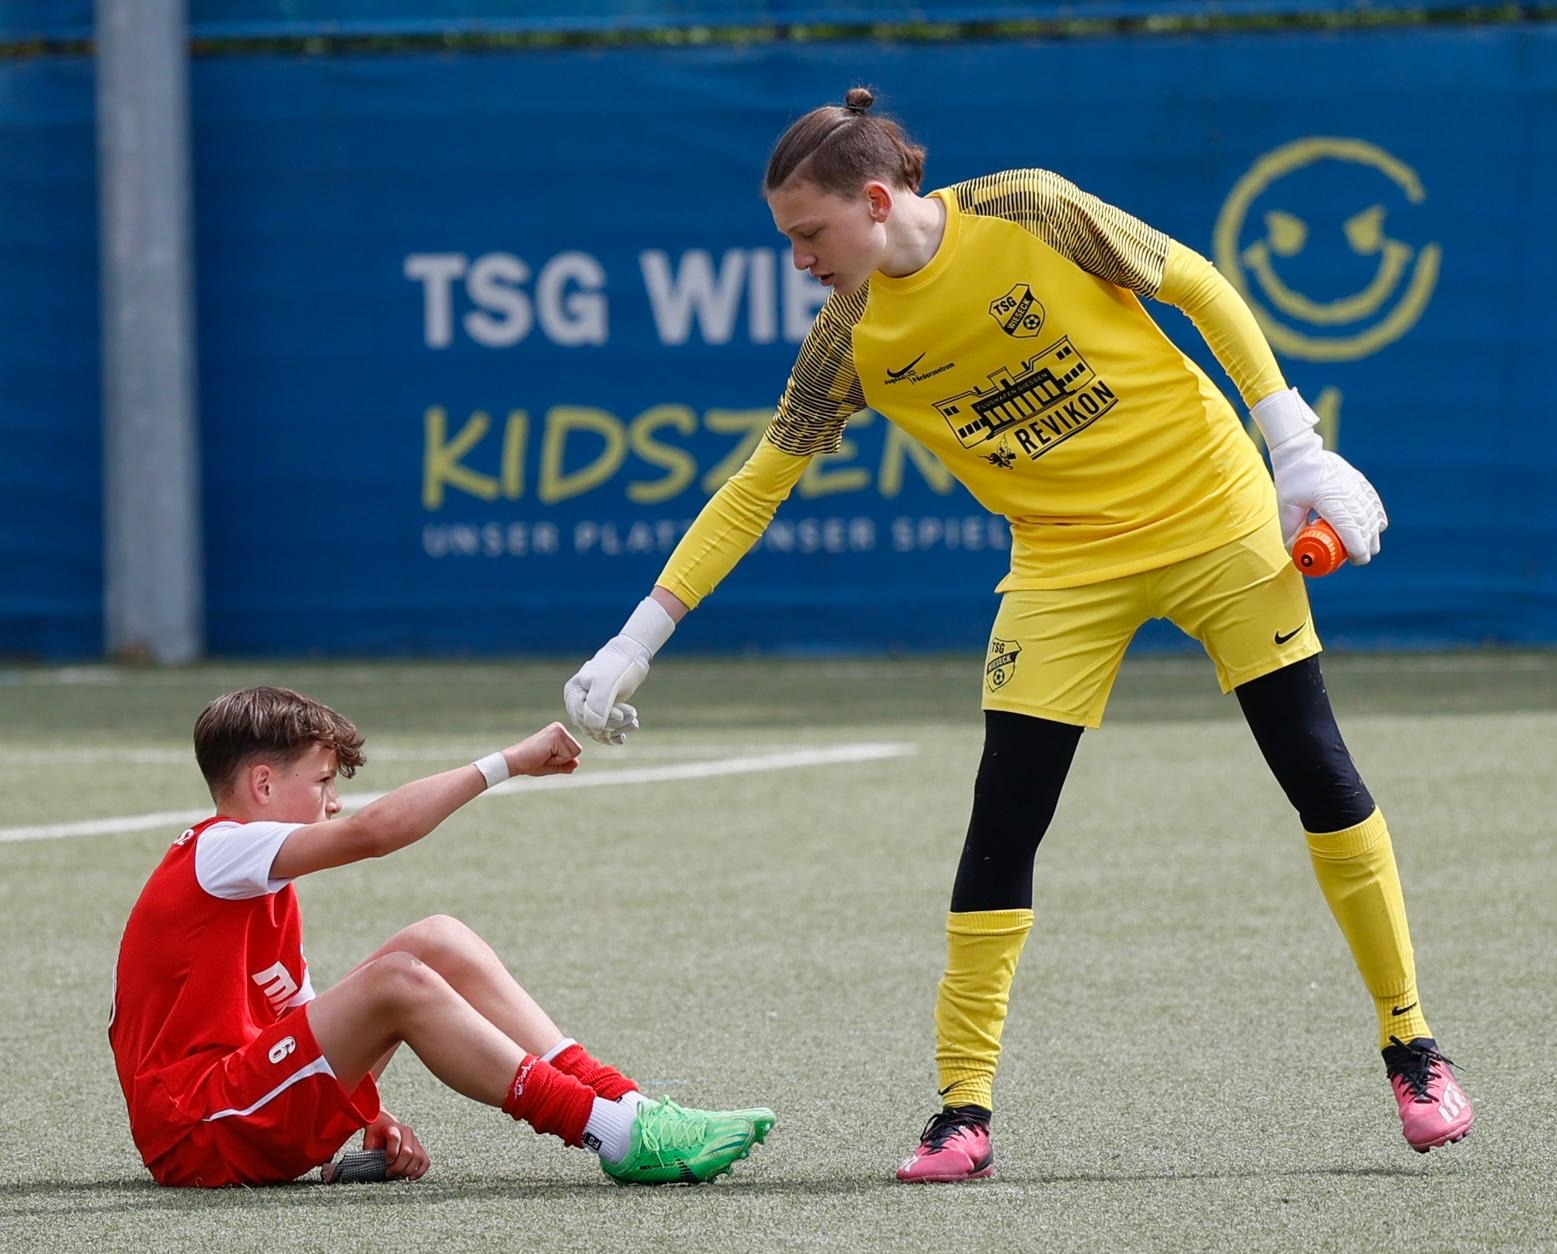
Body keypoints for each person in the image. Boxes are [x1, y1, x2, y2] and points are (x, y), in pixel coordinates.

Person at [563, 87, 1475, 1182]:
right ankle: (961, 1111)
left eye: (808, 234)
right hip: (1063, 563)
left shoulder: (1030, 208)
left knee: (1316, 770)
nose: (798, 260)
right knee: (1002, 822)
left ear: (875, 199)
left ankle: (1412, 1047)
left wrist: (1295, 447)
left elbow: (1196, 283)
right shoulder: (846, 340)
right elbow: (756, 488)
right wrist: (635, 640)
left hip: (1215, 516)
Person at [109, 685, 775, 1188]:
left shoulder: (260, 884)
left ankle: (624, 1101)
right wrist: (506, 763)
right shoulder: (219, 849)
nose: (333, 802)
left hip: (244, 1101)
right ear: (262, 784)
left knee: (436, 939)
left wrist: (371, 1115)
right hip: (199, 1132)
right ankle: (615, 1134)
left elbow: (296, 1025)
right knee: (396, 981)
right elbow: (374, 833)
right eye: (323, 782)